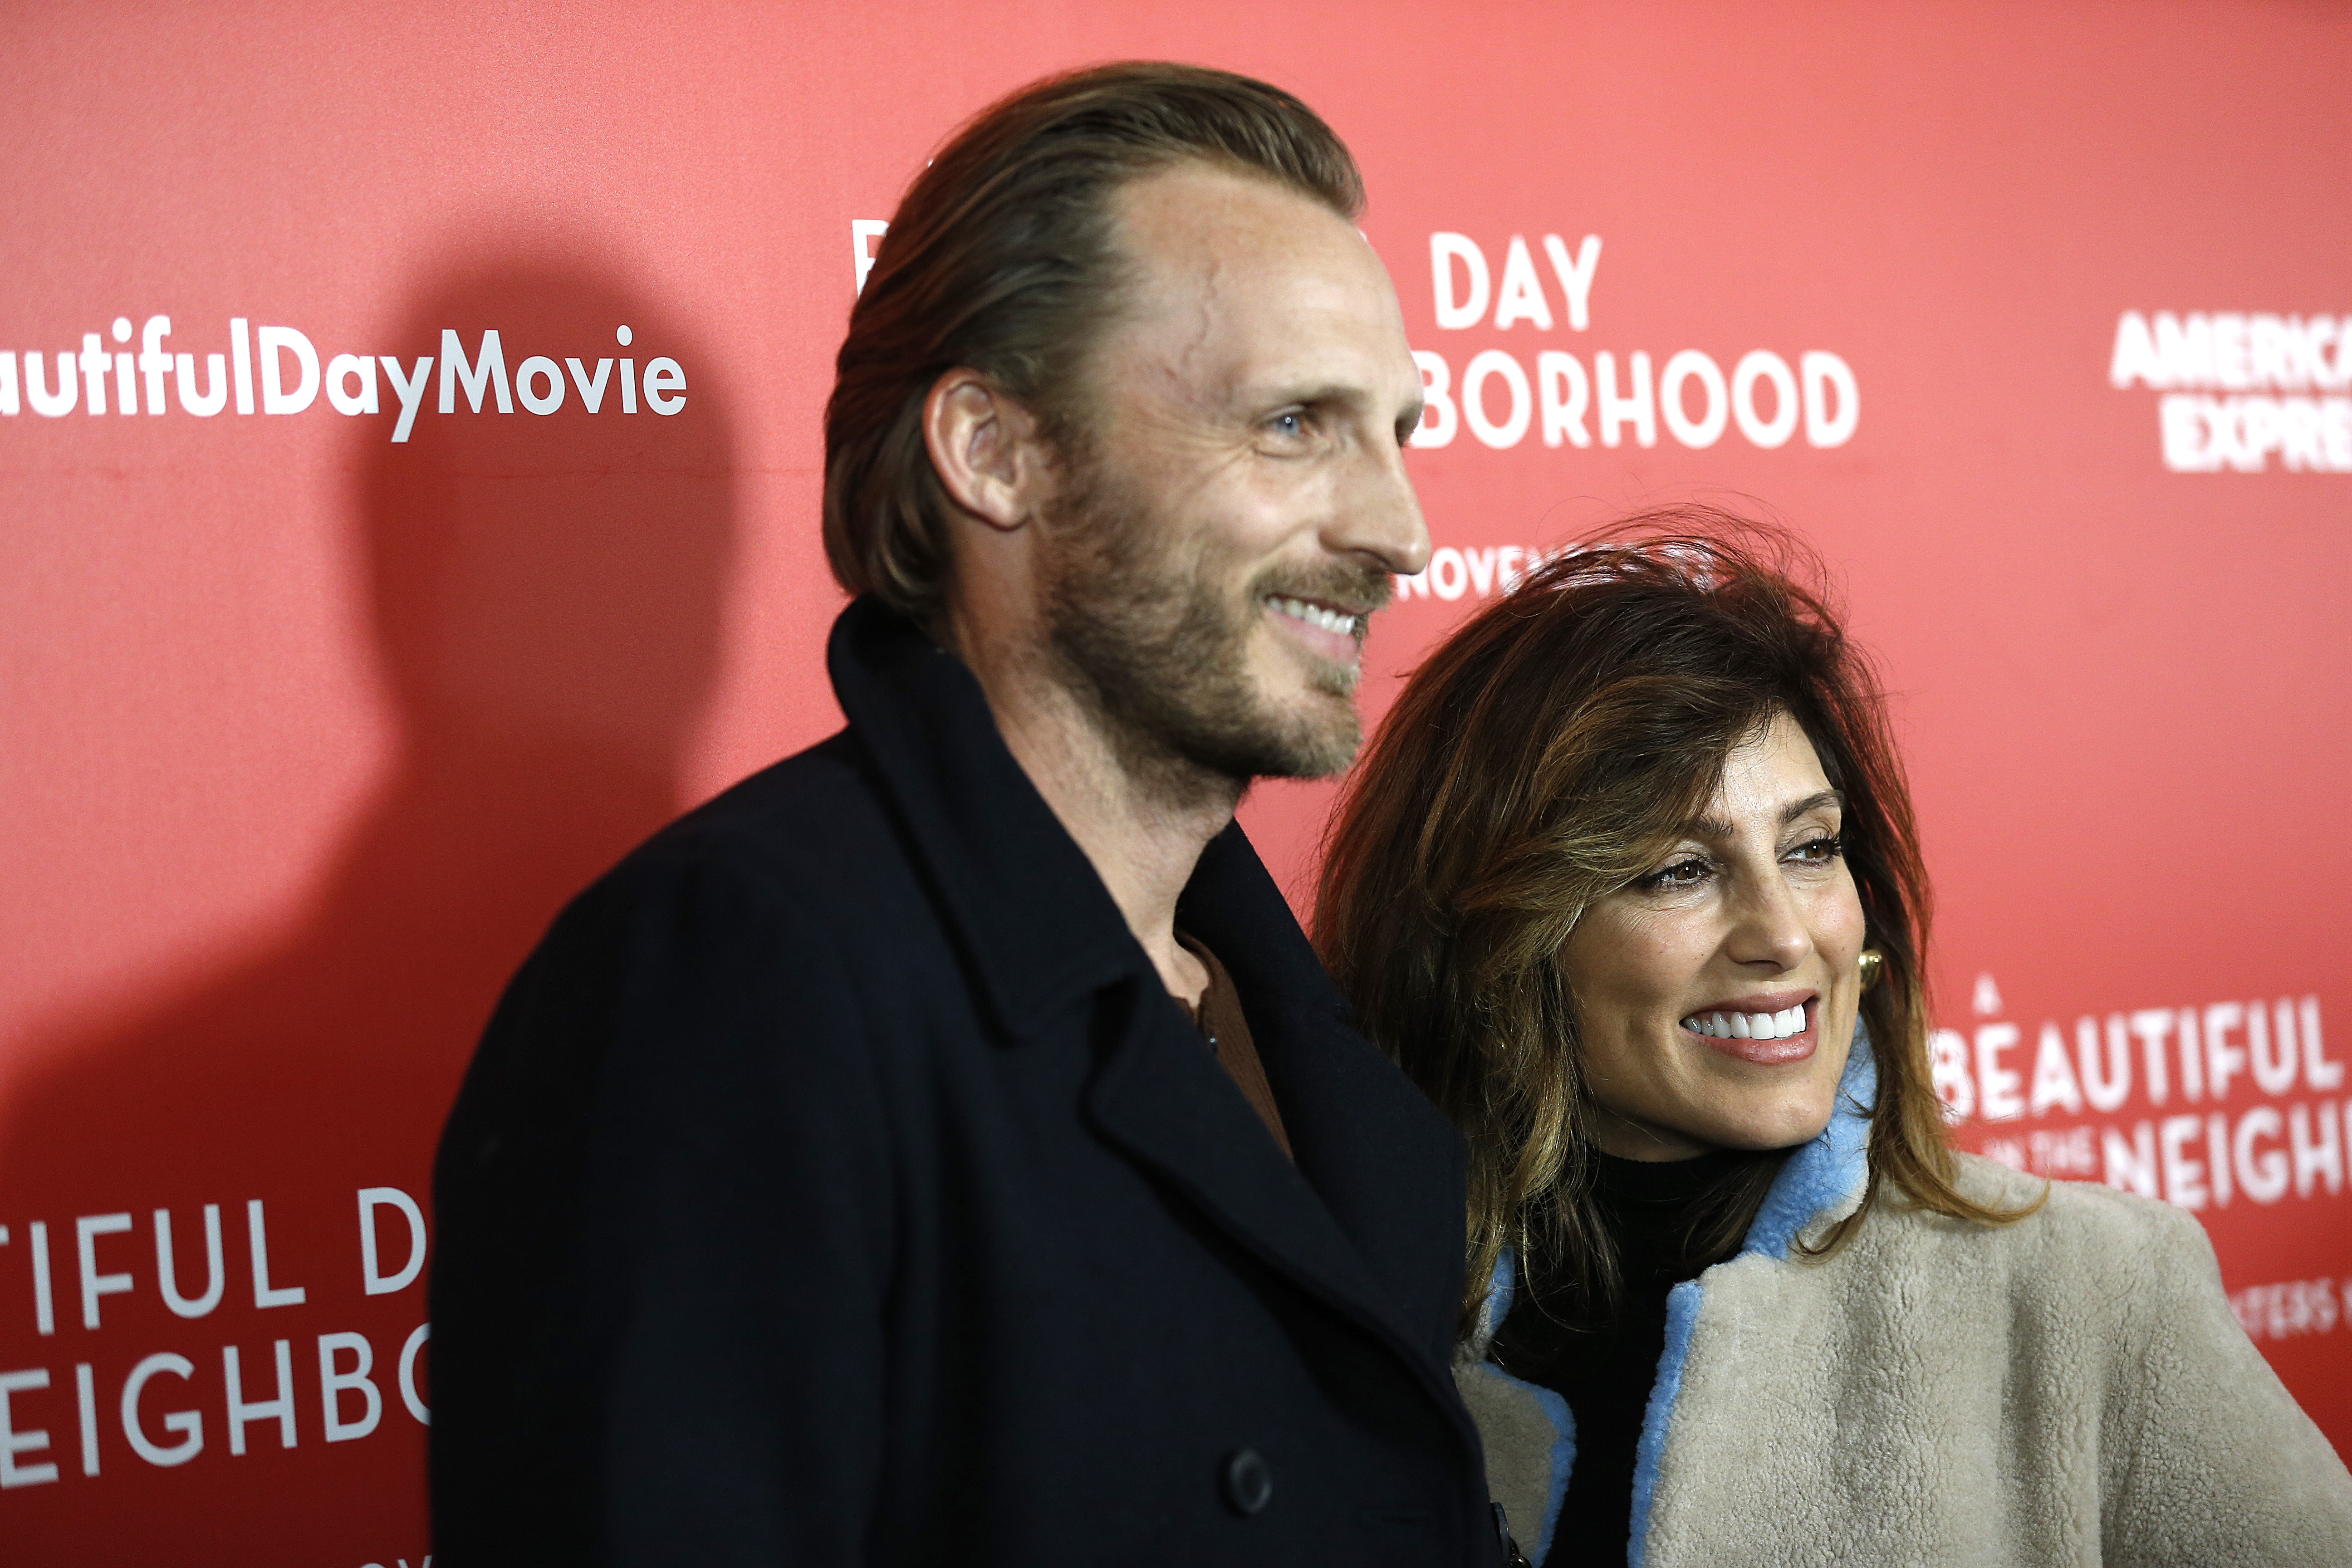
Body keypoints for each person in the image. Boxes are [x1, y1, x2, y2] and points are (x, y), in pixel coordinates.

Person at [429, 62, 1506, 1567]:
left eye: (1395, 429)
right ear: (995, 453)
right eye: (1291, 424)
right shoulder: (734, 975)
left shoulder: (1287, 1011)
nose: (1398, 527)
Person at [1316, 514, 2352, 1567]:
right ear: (1496, 939)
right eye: (1680, 869)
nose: (1783, 935)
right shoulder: (1346, 1315)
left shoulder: (2098, 1292)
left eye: (1811, 848)